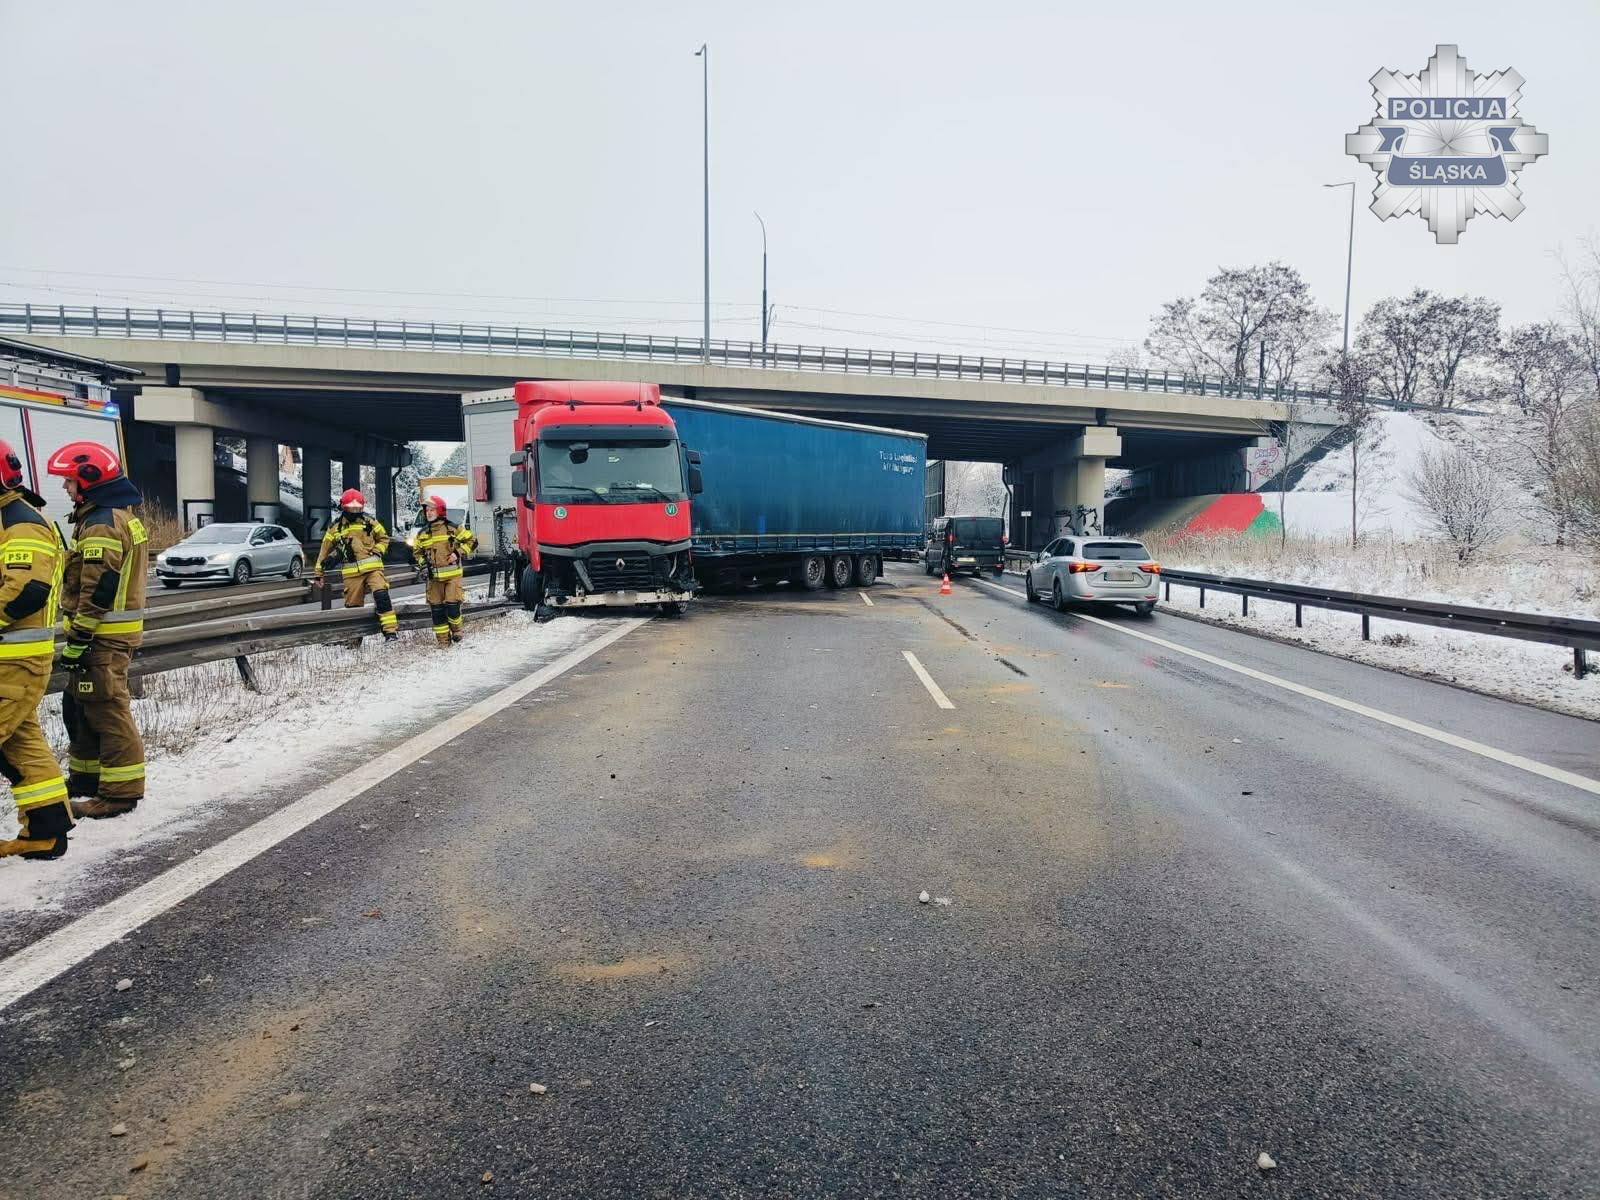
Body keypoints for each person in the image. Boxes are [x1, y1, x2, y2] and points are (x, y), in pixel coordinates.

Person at [47, 441, 148, 821]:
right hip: (104, 635)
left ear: (89, 481)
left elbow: (98, 588)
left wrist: (79, 639)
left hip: (101, 637)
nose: (65, 488)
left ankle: (120, 793)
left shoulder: (102, 523)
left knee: (108, 711)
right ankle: (87, 780)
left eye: (69, 481)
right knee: (80, 707)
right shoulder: (113, 516)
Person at [0, 440, 72, 859]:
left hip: (13, 660)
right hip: (11, 659)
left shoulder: (20, 523)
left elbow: (28, 589)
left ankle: (45, 834)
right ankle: (45, 832)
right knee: (20, 745)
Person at [314, 489, 398, 640]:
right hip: (351, 574)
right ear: (343, 508)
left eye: (357, 508)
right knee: (353, 608)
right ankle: (354, 641)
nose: (354, 511)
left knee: (381, 595)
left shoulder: (370, 522)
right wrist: (319, 573)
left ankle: (390, 632)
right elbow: (324, 551)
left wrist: (378, 551)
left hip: (373, 569)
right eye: (351, 508)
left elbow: (384, 539)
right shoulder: (335, 528)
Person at [412, 495, 478, 647]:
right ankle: (443, 642)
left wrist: (458, 553)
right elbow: (417, 553)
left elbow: (472, 541)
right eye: (427, 510)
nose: (428, 513)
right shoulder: (422, 533)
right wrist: (423, 565)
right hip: (433, 578)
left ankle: (457, 631)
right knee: (437, 610)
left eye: (432, 510)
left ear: (440, 511)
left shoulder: (452, 528)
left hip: (452, 576)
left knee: (452, 605)